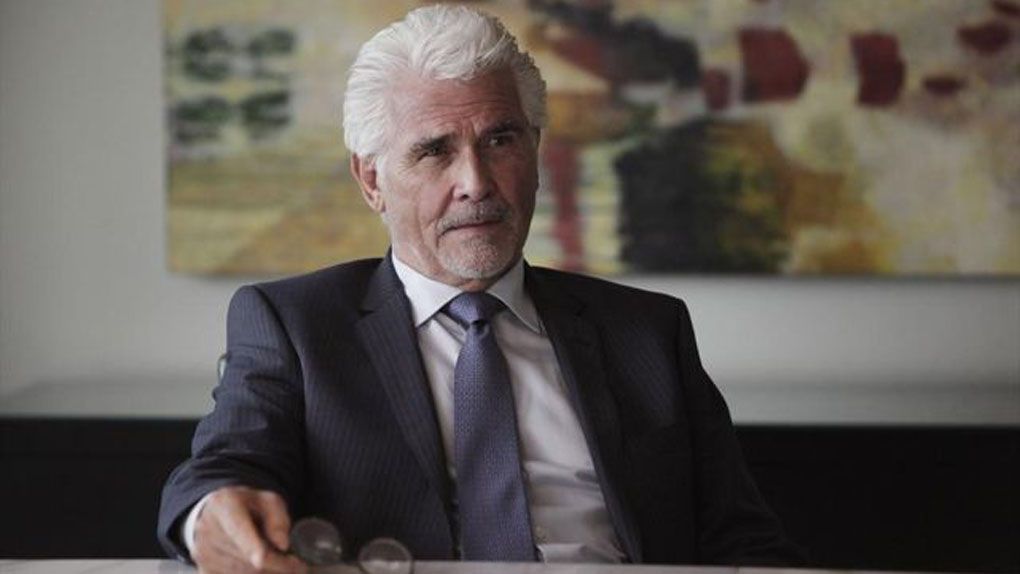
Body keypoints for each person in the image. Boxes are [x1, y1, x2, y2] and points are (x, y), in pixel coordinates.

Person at [158, 6, 803, 573]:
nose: (475, 182)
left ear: (536, 151)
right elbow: (226, 467)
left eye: (500, 139)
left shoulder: (647, 331)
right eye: (434, 151)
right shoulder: (295, 325)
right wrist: (211, 516)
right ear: (372, 180)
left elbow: (742, 540)